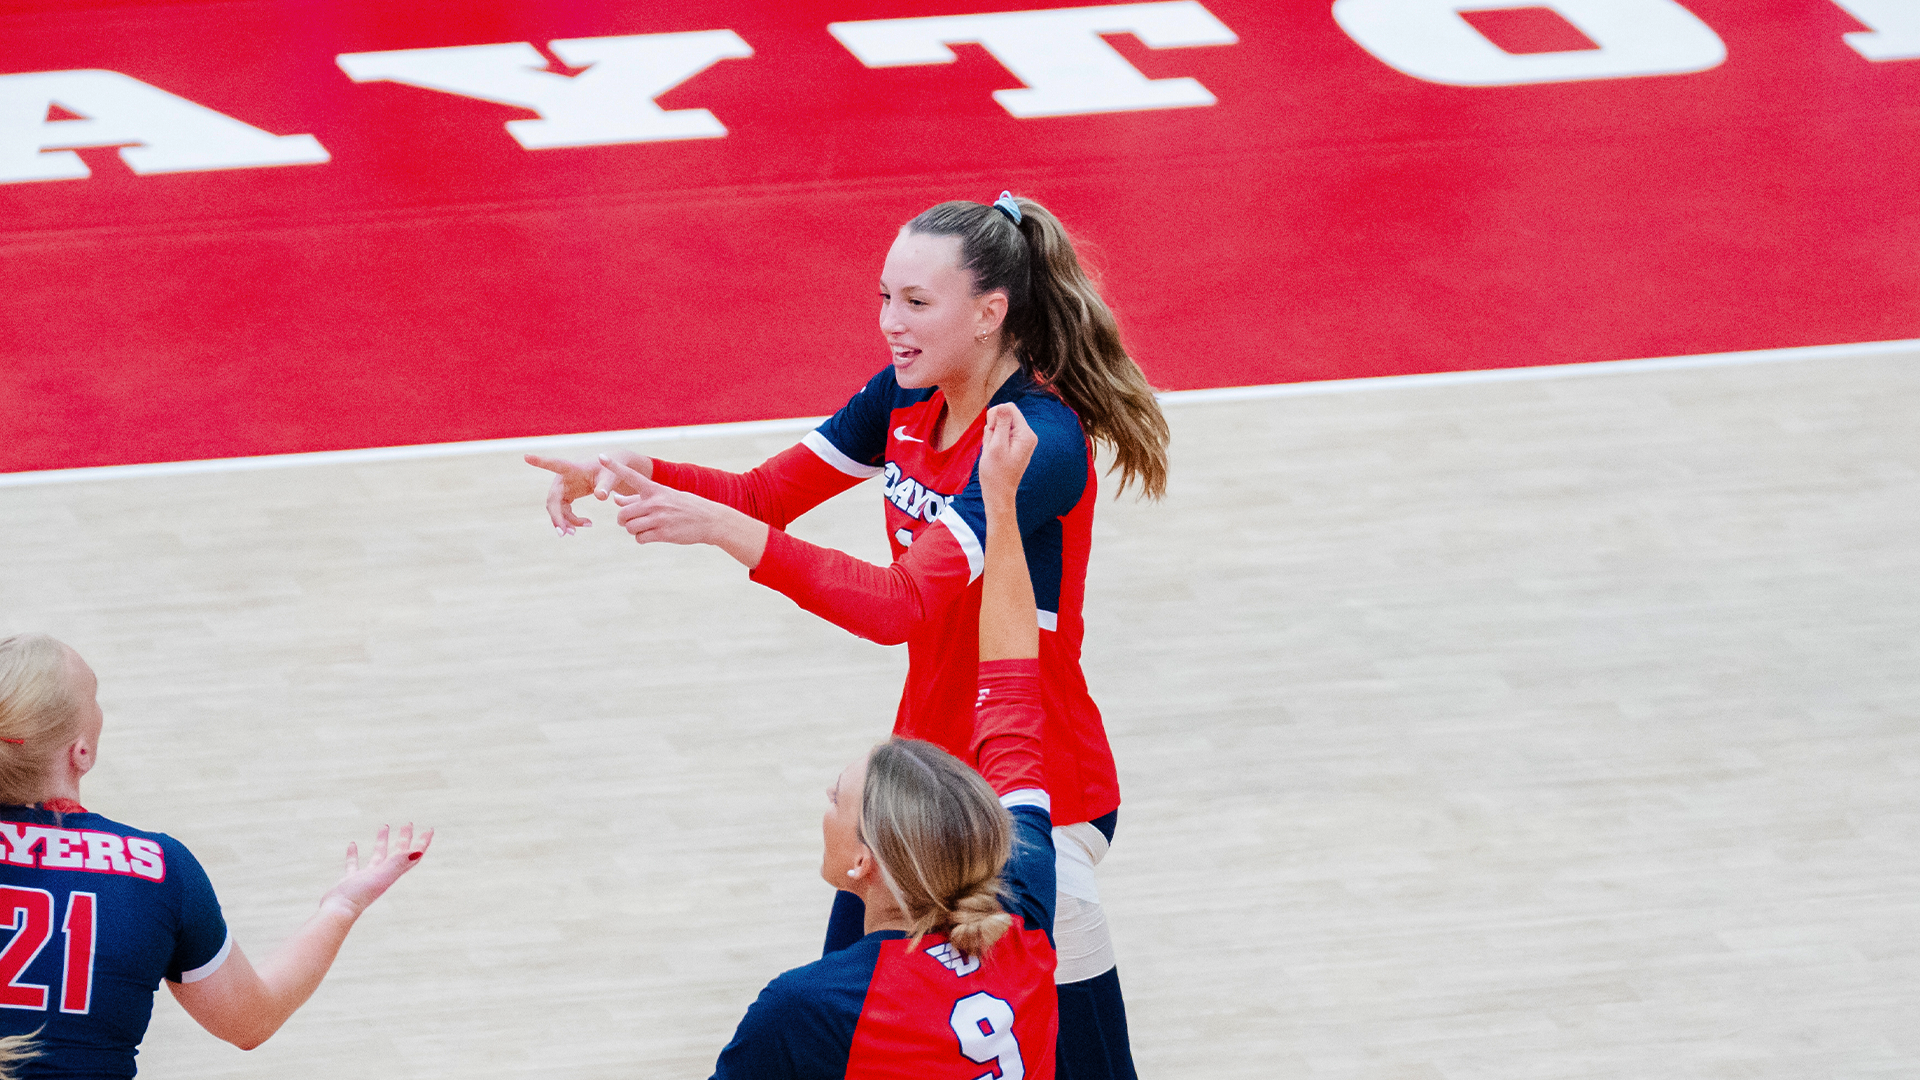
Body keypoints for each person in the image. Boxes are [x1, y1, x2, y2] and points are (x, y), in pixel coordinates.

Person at [529, 192, 1161, 1077]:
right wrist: (631, 473)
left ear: (990, 314)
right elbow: (762, 495)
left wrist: (714, 531)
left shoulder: (1036, 441)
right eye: (883, 297)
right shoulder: (907, 398)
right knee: (845, 1021)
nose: (890, 325)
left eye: (915, 303)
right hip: (924, 782)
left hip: (1031, 791)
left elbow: (897, 604)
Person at [713, 402, 1060, 1079]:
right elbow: (1016, 684)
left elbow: (1013, 701)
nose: (824, 810)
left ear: (862, 865)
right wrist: (1002, 507)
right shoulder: (1027, 926)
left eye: (836, 800)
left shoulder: (806, 1007)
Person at [0, 634, 431, 1079]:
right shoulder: (157, 867)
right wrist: (342, 906)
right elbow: (250, 1021)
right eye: (94, 696)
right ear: (81, 753)